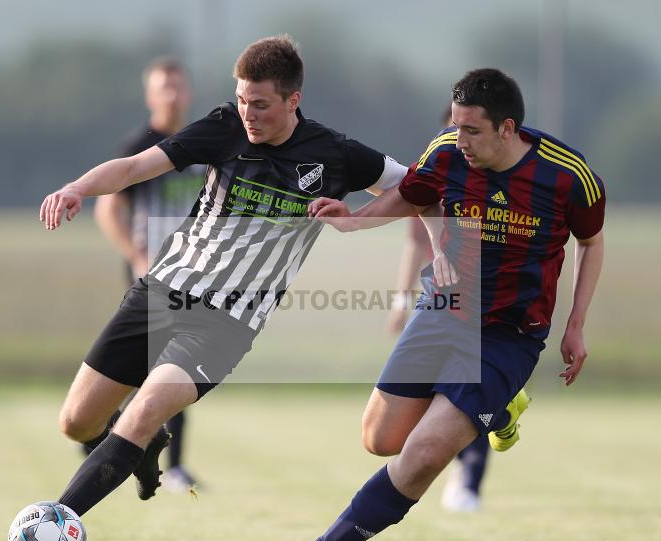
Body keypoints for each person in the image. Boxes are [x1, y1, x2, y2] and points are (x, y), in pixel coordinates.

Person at [38, 35, 409, 516]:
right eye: (241, 100)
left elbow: (414, 185)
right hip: (163, 290)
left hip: (226, 322)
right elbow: (134, 167)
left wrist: (357, 218)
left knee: (146, 408)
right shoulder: (224, 128)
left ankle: (54, 525)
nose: (248, 114)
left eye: (260, 104)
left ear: (293, 100)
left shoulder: (335, 154)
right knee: (76, 423)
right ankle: (144, 446)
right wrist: (77, 188)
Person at [299, 68, 605, 541]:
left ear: (508, 128)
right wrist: (352, 219)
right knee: (379, 439)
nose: (458, 140)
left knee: (423, 454)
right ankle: (497, 407)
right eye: (456, 126)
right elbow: (413, 194)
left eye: (472, 131)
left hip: (509, 334)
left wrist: (576, 324)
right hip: (443, 309)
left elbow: (591, 243)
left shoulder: (567, 174)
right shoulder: (445, 152)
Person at [93, 57, 205, 494]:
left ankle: (163, 461)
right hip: (155, 275)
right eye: (164, 88)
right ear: (150, 96)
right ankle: (124, 447)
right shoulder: (140, 145)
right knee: (162, 367)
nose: (173, 95)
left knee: (175, 366)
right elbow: (108, 207)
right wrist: (137, 254)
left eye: (179, 86)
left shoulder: (199, 144)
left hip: (192, 274)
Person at [386, 107, 497, 513]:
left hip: (487, 306)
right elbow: (416, 243)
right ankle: (449, 465)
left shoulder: (499, 180)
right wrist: (401, 301)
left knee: (474, 388)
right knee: (438, 391)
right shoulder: (436, 172)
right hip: (441, 303)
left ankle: (469, 480)